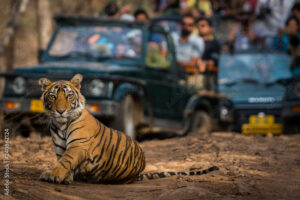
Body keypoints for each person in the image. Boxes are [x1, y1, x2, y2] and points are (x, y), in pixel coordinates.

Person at [172, 14, 205, 88]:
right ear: (180, 25)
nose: (186, 26)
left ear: (193, 27)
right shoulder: (173, 36)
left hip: (188, 75)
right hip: (171, 73)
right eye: (184, 24)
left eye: (190, 25)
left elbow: (193, 62)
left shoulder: (197, 41)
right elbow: (164, 53)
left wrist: (175, 62)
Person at [197, 17, 220, 90]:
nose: (200, 28)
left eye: (203, 26)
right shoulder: (193, 42)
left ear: (210, 28)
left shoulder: (214, 44)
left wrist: (204, 63)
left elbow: (214, 60)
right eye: (198, 26)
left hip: (209, 76)